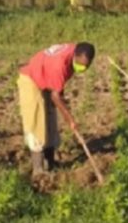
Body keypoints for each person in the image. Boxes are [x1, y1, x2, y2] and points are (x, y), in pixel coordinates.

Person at [18, 42, 96, 174]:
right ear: (74, 56)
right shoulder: (59, 65)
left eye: (85, 66)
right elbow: (56, 96)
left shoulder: (77, 50)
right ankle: (38, 169)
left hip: (46, 78)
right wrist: (70, 119)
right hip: (31, 79)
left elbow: (58, 91)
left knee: (50, 119)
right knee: (37, 122)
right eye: (80, 64)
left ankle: (50, 163)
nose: (82, 68)